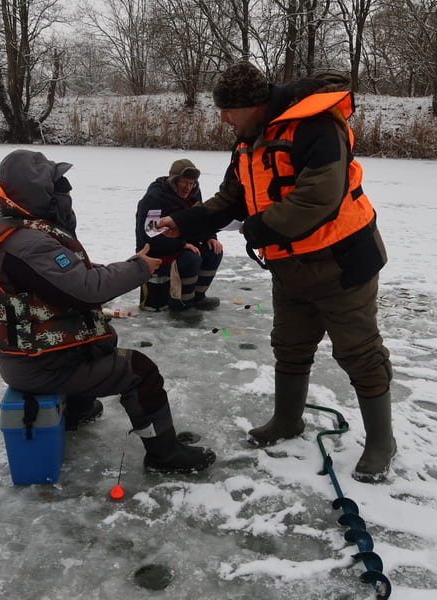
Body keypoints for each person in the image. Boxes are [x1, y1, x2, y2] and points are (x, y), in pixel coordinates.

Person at [157, 62, 395, 482]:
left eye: (229, 110)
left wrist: (256, 228)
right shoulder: (248, 142)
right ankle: (288, 421)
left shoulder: (316, 127)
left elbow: (317, 198)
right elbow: (230, 199)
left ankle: (381, 441)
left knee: (360, 354)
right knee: (289, 344)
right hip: (291, 266)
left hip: (342, 263)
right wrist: (186, 222)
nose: (223, 119)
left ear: (255, 104)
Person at [0, 149, 216, 474]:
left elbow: (67, 279)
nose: (65, 195)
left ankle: (77, 410)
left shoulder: (13, 226)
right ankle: (164, 455)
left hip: (29, 355)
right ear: (38, 192)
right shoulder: (27, 242)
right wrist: (140, 268)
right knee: (139, 371)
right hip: (38, 364)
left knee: (100, 342)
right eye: (58, 187)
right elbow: (86, 289)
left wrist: (130, 266)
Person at [135, 159, 223, 314]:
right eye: (184, 182)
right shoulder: (154, 198)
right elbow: (149, 236)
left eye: (192, 183)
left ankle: (198, 297)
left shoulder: (194, 193)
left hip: (185, 244)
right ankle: (183, 304)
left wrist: (211, 236)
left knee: (214, 251)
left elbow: (201, 218)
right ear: (174, 180)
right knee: (191, 258)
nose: (188, 187)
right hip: (158, 250)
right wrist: (181, 245)